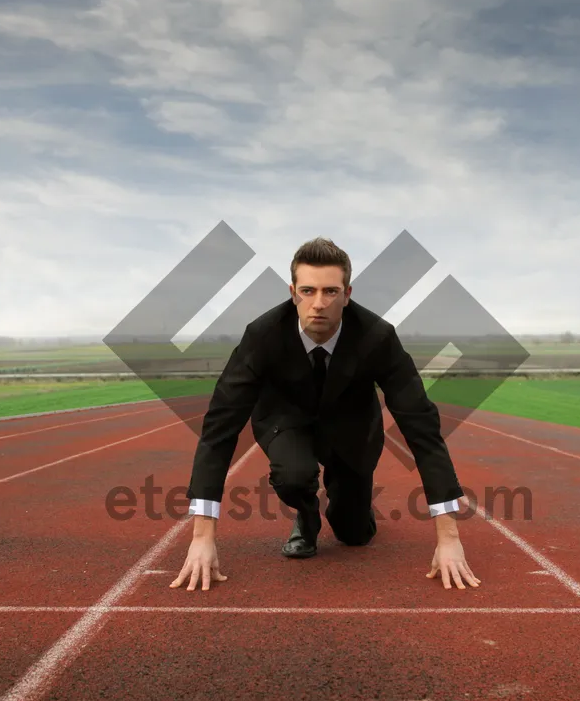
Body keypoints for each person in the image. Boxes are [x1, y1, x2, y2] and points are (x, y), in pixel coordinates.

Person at [170, 236, 480, 592]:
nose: (318, 304)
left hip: (353, 426)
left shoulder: (377, 337)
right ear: (293, 292)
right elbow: (219, 427)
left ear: (348, 294)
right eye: (308, 291)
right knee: (293, 475)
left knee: (354, 535)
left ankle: (352, 508)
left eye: (331, 291)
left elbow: (421, 426)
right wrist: (202, 536)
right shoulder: (263, 335)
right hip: (285, 420)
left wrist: (449, 537)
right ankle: (306, 514)